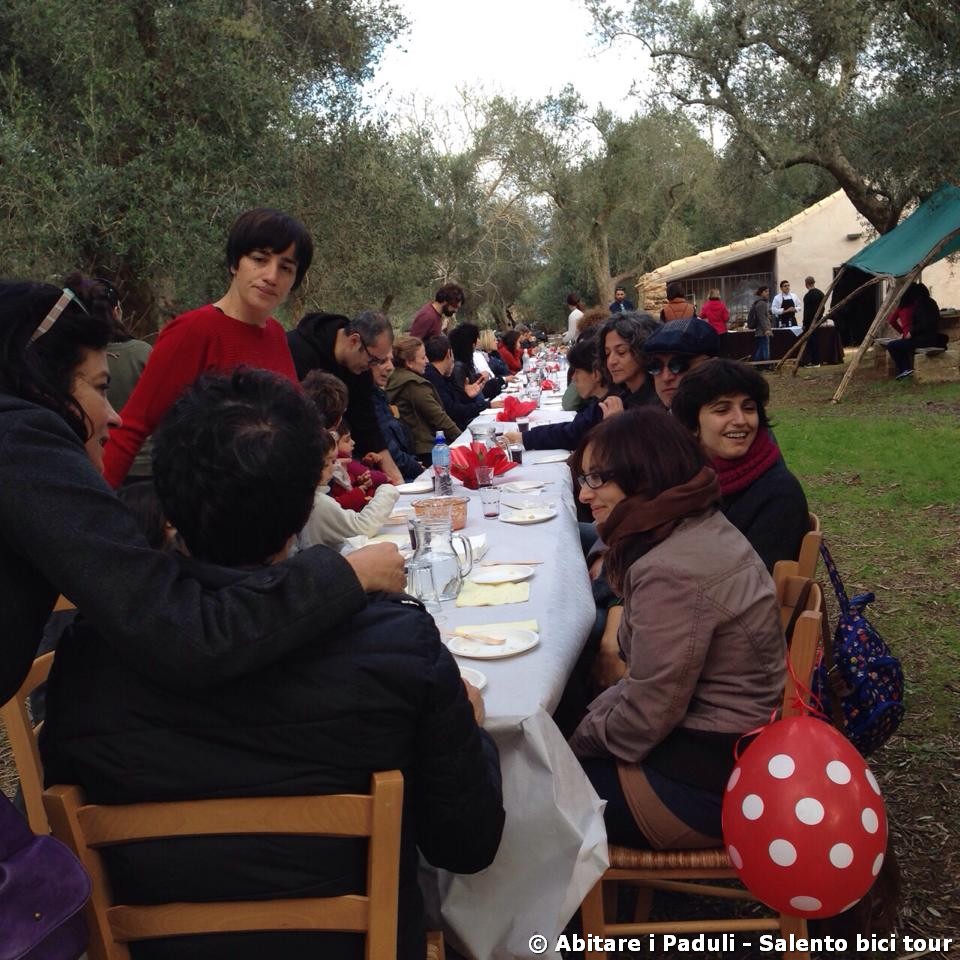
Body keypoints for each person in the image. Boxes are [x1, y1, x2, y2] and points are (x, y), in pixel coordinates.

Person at [41, 368, 504, 960]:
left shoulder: (87, 654)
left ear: (170, 507)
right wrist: (469, 726)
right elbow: (467, 845)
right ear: (301, 512)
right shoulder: (398, 643)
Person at [0, 281, 404, 708]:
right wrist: (347, 576)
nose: (113, 416)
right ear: (41, 384)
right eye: (101, 387)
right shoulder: (24, 443)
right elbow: (181, 632)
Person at [568, 409, 784, 849]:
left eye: (595, 479)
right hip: (734, 748)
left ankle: (552, 912)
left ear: (643, 475)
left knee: (531, 792)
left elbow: (648, 714)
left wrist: (574, 741)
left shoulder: (668, 568)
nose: (583, 494)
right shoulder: (694, 521)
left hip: (711, 782)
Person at [103, 208, 312, 488]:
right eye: (259, 259)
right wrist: (95, 511)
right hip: (205, 513)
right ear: (235, 263)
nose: (271, 276)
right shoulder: (193, 330)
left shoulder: (275, 334)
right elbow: (132, 427)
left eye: (286, 268)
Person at [673, 359, 810, 572]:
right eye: (722, 410)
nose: (740, 420)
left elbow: (753, 587)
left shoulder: (779, 492)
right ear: (692, 425)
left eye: (748, 408)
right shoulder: (683, 480)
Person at [287, 309, 403, 483]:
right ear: (354, 341)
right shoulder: (297, 351)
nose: (374, 366)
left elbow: (366, 421)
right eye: (373, 360)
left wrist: (395, 477)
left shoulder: (360, 367)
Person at [65, 273, 156, 481]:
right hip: (143, 466)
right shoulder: (142, 353)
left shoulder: (71, 359)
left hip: (93, 463)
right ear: (116, 311)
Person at [299, 426, 399, 552]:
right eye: (327, 463)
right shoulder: (316, 503)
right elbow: (362, 527)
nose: (333, 467)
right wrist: (387, 491)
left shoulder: (310, 498)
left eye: (334, 461)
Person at [503, 333, 607, 452]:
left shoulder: (609, 407)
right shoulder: (599, 403)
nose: (573, 378)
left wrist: (525, 437)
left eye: (577, 371)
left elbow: (571, 433)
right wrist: (526, 437)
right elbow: (572, 429)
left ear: (596, 374)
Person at [386, 336, 461, 458]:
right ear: (409, 362)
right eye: (422, 357)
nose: (426, 361)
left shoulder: (395, 379)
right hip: (428, 449)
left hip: (413, 448)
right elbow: (438, 417)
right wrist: (462, 439)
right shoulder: (414, 385)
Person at [640, 317, 721, 409]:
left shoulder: (735, 418)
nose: (666, 377)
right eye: (655, 367)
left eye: (678, 365)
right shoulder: (648, 418)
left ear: (712, 366)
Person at [594, 312, 662, 416]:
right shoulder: (619, 396)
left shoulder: (658, 404)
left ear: (642, 350)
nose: (611, 361)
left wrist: (615, 424)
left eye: (621, 352)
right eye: (607, 354)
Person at [422, 334, 490, 429]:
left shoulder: (441, 377)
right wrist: (485, 405)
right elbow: (453, 411)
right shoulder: (433, 379)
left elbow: (456, 406)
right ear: (449, 353)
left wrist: (466, 395)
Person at [885, 282, 948, 380]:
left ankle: (905, 369)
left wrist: (911, 332)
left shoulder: (922, 305)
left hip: (923, 339)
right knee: (898, 345)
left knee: (892, 345)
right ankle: (906, 370)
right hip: (928, 337)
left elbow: (925, 323)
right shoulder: (931, 302)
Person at [448, 322, 504, 399]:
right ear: (472, 344)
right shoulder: (459, 367)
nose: (479, 341)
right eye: (476, 339)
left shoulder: (466, 362)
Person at [801, 276, 824, 366]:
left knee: (812, 342)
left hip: (810, 323)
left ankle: (815, 361)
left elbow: (807, 311)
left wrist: (804, 323)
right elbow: (822, 308)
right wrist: (820, 317)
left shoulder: (807, 296)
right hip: (818, 321)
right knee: (816, 341)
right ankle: (817, 360)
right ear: (814, 282)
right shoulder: (821, 293)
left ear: (806, 284)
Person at [748, 286, 773, 369]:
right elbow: (762, 318)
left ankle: (756, 365)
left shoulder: (760, 303)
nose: (767, 293)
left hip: (760, 330)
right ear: (761, 293)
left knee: (761, 348)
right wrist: (766, 330)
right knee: (765, 348)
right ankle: (767, 364)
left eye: (768, 291)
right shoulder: (761, 304)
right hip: (762, 331)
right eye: (766, 291)